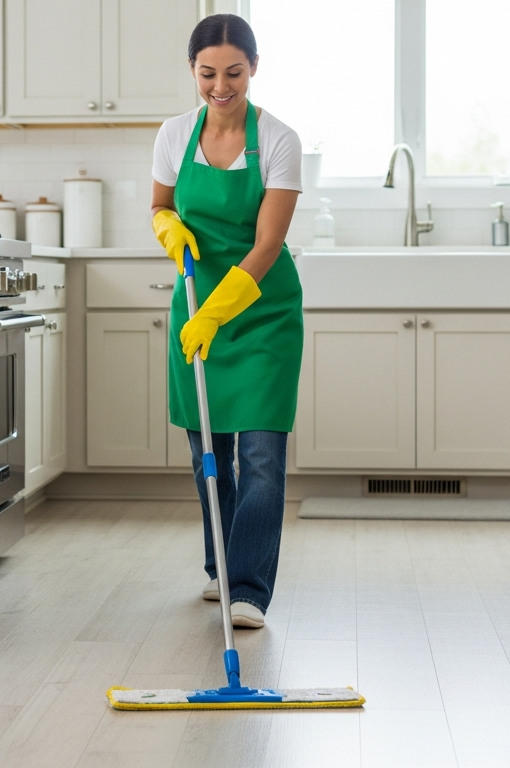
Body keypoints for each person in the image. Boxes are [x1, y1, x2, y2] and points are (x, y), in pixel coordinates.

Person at [150, 13, 302, 629]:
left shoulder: (280, 140)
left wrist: (218, 313)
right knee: (208, 455)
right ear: (192, 70)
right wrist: (168, 227)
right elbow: (160, 205)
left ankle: (249, 589)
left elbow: (267, 245)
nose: (220, 86)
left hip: (262, 313)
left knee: (261, 455)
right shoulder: (173, 134)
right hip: (194, 306)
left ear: (254, 68)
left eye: (234, 73)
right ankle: (223, 567)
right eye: (208, 73)